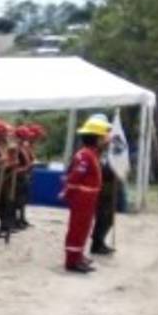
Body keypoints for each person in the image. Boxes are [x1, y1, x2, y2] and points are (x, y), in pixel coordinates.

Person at [63, 116, 110, 273]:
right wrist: (68, 193)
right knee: (78, 228)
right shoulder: (85, 155)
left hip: (88, 198)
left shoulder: (92, 153)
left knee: (84, 227)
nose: (106, 140)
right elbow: (75, 177)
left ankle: (78, 255)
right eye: (103, 137)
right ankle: (72, 261)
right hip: (82, 198)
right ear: (96, 138)